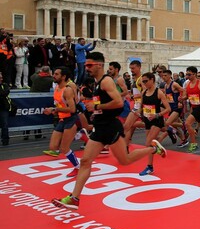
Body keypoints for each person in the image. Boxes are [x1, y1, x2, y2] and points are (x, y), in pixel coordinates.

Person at [52, 52, 167, 210]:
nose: (87, 68)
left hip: (110, 127)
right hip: (100, 126)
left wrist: (97, 107)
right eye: (86, 65)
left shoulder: (106, 81)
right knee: (85, 161)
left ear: (99, 65)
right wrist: (96, 112)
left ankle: (153, 148)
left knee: (125, 160)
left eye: (89, 65)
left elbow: (119, 103)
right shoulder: (97, 82)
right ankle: (74, 198)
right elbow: (101, 104)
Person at [41, 67, 80, 177]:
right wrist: (54, 110)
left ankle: (78, 168)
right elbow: (59, 104)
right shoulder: (57, 88)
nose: (54, 75)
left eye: (57, 74)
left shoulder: (67, 90)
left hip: (71, 119)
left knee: (64, 148)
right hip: (62, 119)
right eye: (54, 73)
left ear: (63, 77)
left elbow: (72, 109)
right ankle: (79, 134)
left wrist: (55, 110)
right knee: (53, 146)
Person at [136, 72, 171, 176]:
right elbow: (142, 106)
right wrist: (138, 111)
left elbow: (168, 108)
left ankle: (156, 150)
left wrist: (157, 115)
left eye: (146, 81)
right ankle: (150, 166)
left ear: (152, 80)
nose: (144, 83)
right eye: (143, 81)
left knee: (147, 144)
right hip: (147, 120)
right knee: (149, 144)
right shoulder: (144, 92)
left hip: (156, 120)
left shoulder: (159, 93)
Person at [181, 66, 200, 150]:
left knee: (187, 123)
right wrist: (182, 98)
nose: (187, 76)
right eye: (186, 74)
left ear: (194, 74)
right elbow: (186, 96)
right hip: (194, 107)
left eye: (189, 74)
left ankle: (194, 143)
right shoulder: (187, 84)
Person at [0, 72, 11, 146]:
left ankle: (5, 140)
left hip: (3, 108)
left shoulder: (5, 85)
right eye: (0, 77)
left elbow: (5, 93)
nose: (1, 79)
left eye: (1, 77)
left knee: (5, 125)